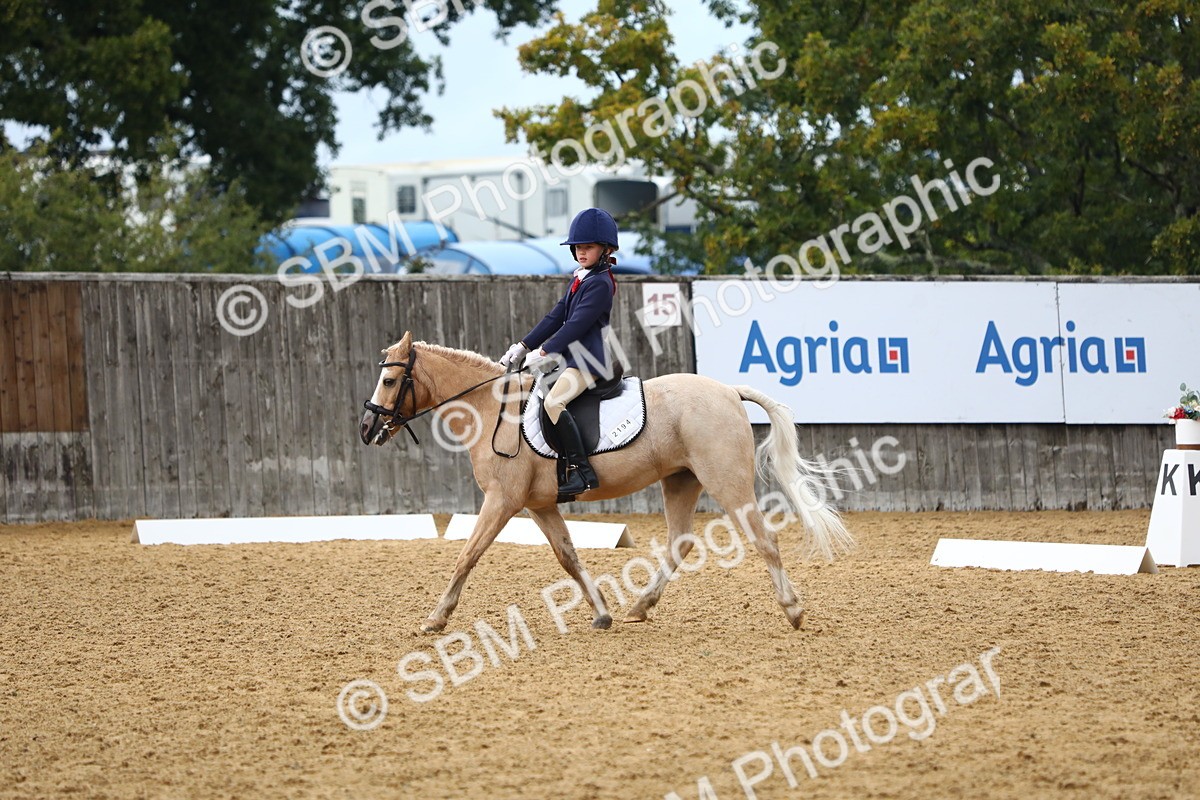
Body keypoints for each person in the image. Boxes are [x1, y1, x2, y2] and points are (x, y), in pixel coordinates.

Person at [499, 207, 620, 499]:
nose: (581, 252)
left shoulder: (601, 283)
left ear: (605, 250)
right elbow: (556, 317)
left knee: (554, 402)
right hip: (572, 359)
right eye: (577, 247)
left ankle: (582, 471)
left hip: (588, 361)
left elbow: (576, 325)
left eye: (588, 247)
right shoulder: (581, 278)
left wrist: (544, 351)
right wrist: (523, 346)